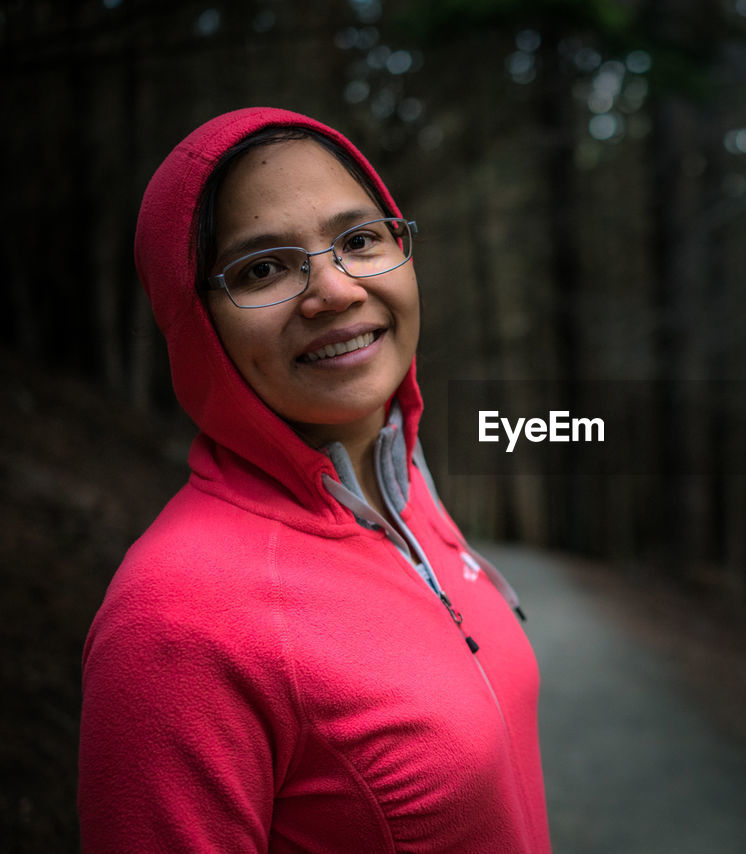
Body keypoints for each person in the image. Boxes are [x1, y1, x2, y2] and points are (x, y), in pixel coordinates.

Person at [78, 107, 551, 853]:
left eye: (360, 240)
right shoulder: (175, 623)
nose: (334, 289)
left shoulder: (401, 490)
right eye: (262, 268)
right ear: (194, 320)